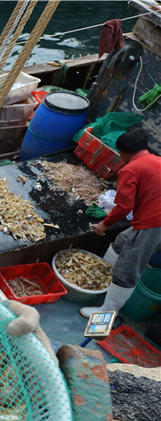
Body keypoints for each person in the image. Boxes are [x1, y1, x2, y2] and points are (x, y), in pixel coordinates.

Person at [81, 127, 161, 318]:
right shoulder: (157, 160)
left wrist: (104, 224)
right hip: (154, 218)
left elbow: (124, 207)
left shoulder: (130, 169)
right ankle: (103, 277)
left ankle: (107, 311)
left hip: (154, 224)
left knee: (128, 269)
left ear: (123, 153)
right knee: (122, 241)